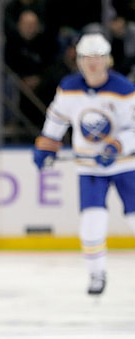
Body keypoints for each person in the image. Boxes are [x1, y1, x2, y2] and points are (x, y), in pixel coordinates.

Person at [32, 33, 135, 296]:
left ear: (108, 60)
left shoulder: (124, 89)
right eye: (87, 57)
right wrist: (47, 144)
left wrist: (116, 146)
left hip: (125, 166)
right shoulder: (69, 87)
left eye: (98, 57)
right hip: (89, 168)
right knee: (92, 221)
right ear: (78, 60)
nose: (93, 63)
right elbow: (56, 120)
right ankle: (96, 274)